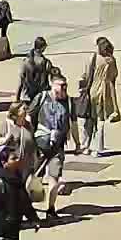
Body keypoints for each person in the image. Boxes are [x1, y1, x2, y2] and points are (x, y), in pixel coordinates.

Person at [29, 74, 72, 221]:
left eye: (65, 85)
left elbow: (71, 122)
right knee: (36, 178)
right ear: (52, 85)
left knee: (54, 177)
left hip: (57, 147)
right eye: (61, 85)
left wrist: (78, 143)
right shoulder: (41, 98)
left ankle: (51, 208)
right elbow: (29, 117)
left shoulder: (67, 101)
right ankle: (29, 208)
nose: (64, 88)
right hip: (40, 144)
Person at [86, 37, 120, 157]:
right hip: (103, 92)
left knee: (91, 119)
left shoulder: (94, 57)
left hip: (92, 91)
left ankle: (87, 145)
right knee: (101, 120)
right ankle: (97, 148)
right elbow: (113, 78)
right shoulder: (110, 60)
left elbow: (86, 74)